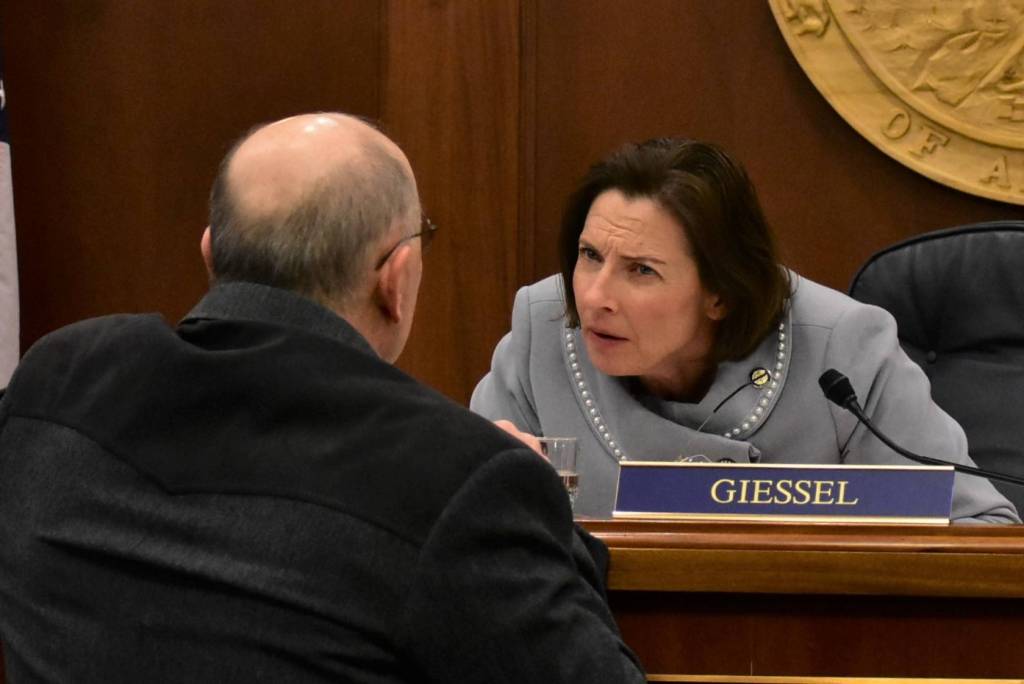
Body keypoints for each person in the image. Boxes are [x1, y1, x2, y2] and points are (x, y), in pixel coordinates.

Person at [0, 113, 645, 682]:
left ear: (210, 254)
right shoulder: (460, 479)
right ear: (396, 280)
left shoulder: (55, 384)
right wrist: (541, 508)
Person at [471, 137, 1020, 524]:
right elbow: (460, 533)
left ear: (721, 293)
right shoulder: (542, 331)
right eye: (590, 255)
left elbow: (982, 532)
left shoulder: (842, 349)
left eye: (641, 270)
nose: (594, 297)